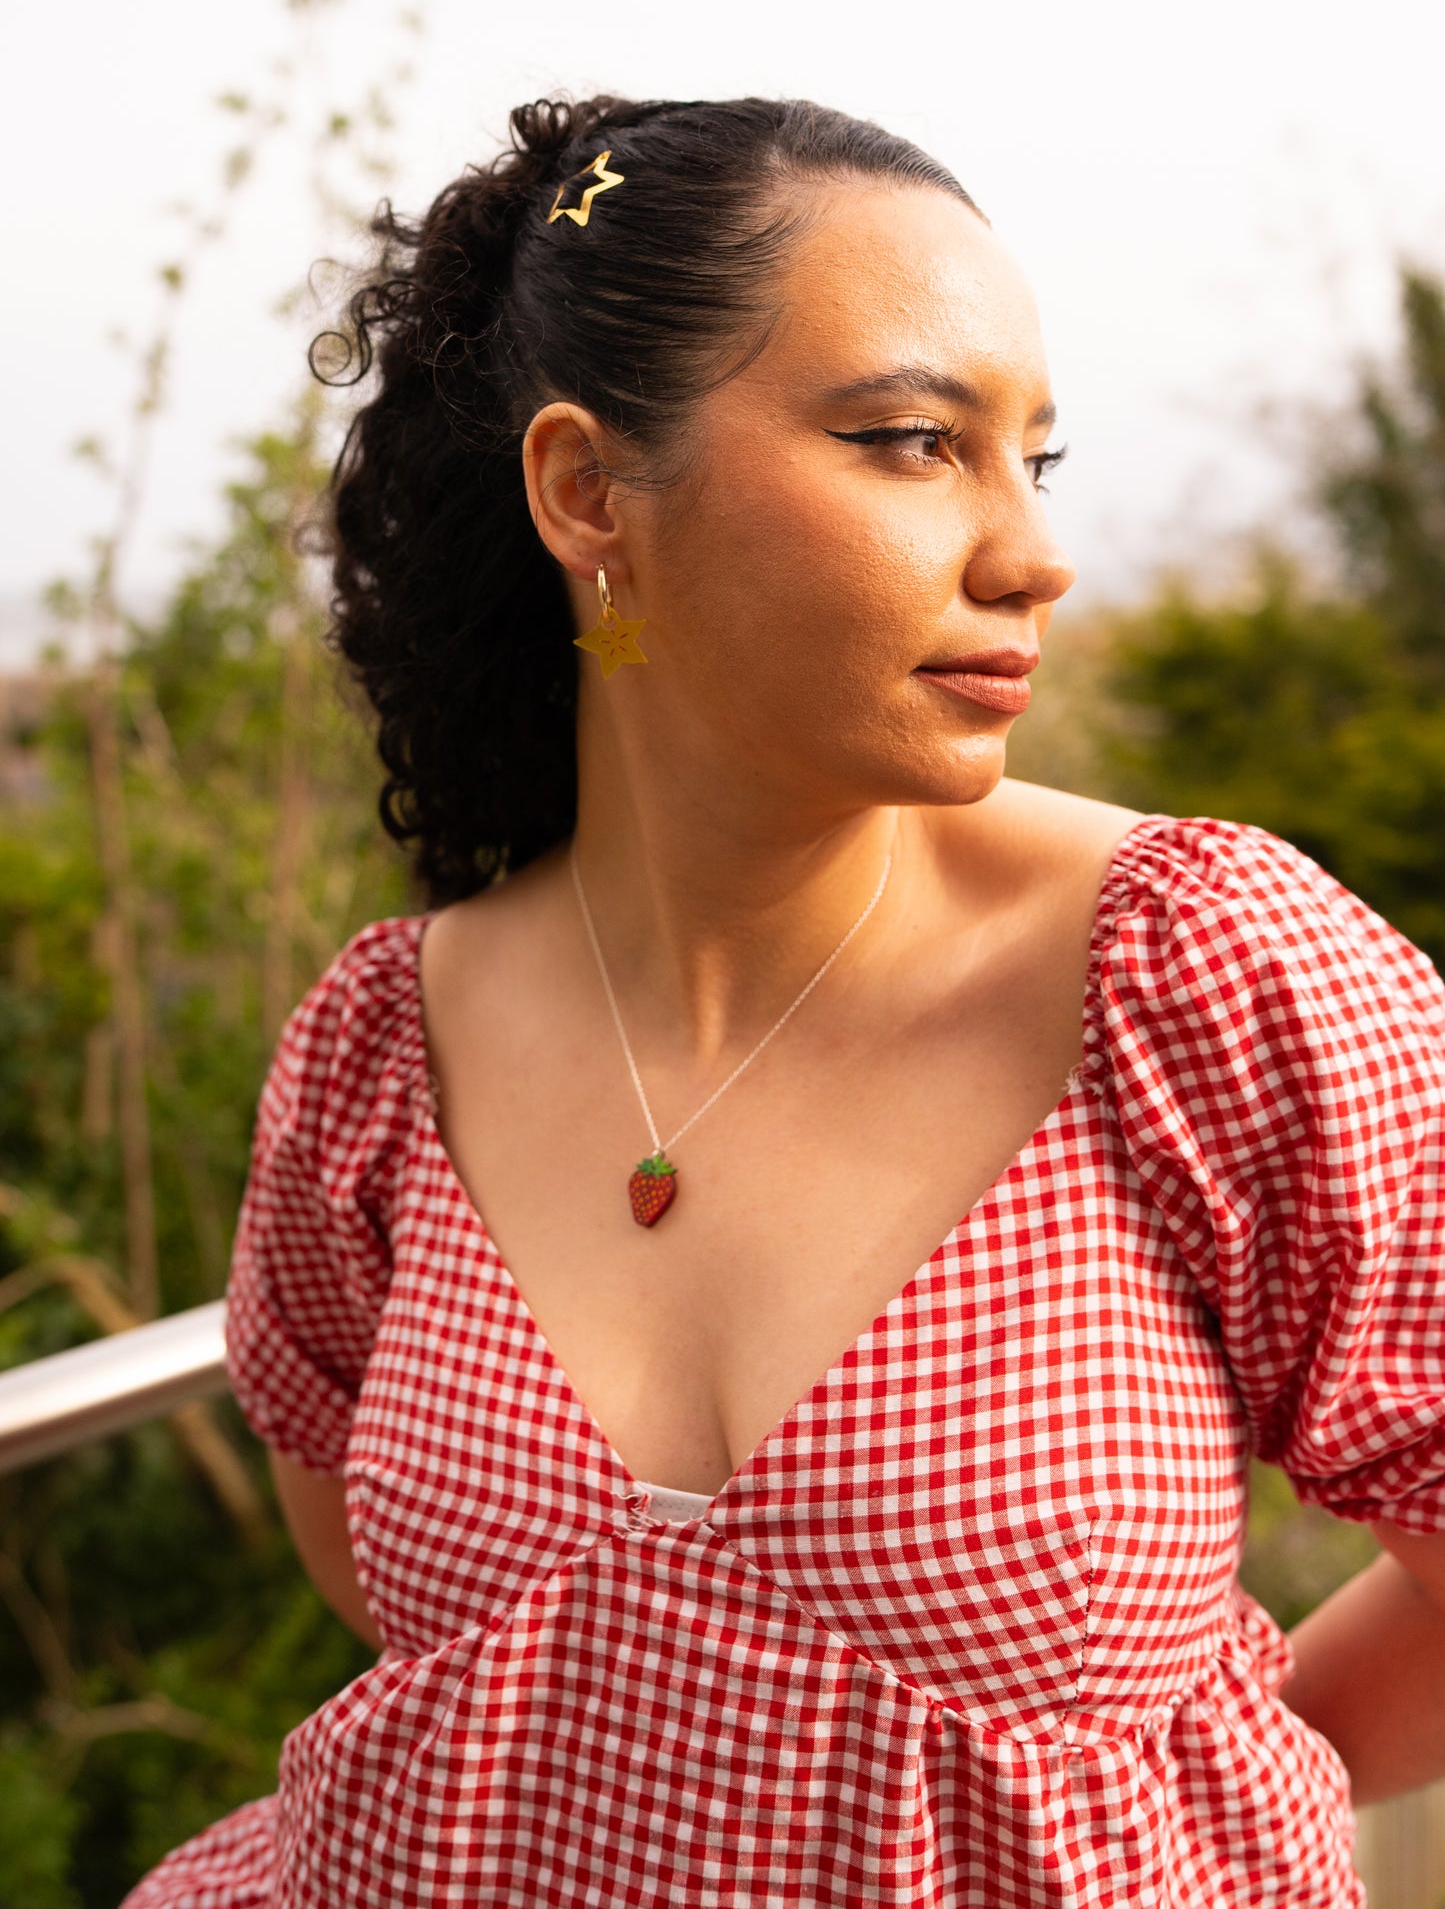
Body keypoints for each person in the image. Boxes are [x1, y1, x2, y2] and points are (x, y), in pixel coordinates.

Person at [122, 95, 1445, 1908]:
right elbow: (408, 1626)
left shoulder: (1196, 972)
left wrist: (1120, 1815)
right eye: (912, 442)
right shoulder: (382, 1047)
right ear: (589, 490)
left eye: (1029, 462)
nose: (1030, 555)